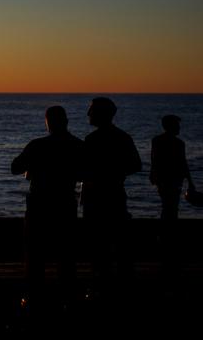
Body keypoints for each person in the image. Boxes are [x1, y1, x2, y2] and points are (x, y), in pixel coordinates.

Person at [11, 106, 83, 308]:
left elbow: (15, 167)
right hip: (66, 204)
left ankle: (35, 298)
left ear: (48, 122)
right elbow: (85, 173)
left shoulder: (37, 145)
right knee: (66, 255)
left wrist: (33, 167)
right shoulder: (78, 145)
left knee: (35, 254)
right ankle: (67, 298)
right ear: (66, 121)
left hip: (39, 206)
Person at [81, 97, 142, 295]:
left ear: (100, 114)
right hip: (115, 195)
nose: (88, 114)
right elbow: (135, 165)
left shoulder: (92, 141)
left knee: (99, 248)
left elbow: (83, 169)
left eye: (91, 110)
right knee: (117, 245)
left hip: (96, 199)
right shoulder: (123, 137)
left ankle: (103, 287)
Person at [150, 114, 196, 272]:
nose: (179, 128)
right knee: (171, 207)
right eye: (177, 125)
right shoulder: (177, 143)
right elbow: (183, 163)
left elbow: (154, 160)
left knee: (168, 206)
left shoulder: (158, 141)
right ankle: (168, 237)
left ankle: (166, 236)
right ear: (171, 126)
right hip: (171, 179)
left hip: (166, 179)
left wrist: (153, 175)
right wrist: (190, 181)